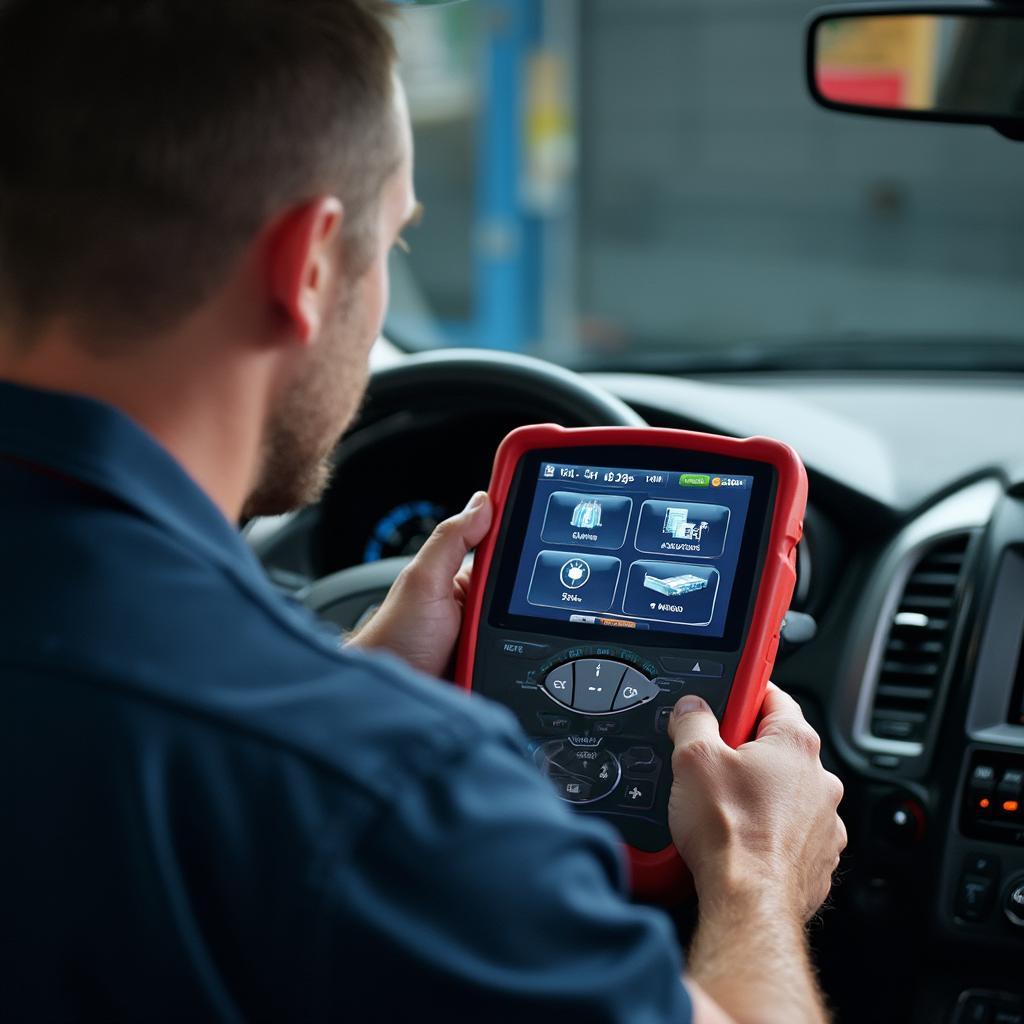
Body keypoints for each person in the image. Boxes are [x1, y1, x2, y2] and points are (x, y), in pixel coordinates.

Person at [0, 1, 846, 1021]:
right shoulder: (395, 795)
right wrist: (757, 874)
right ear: (308, 266)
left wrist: (349, 687)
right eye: (390, 243)